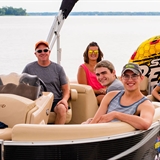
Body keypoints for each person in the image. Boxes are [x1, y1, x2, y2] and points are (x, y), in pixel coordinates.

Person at [83, 63, 155, 130]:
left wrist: (116, 115)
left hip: (121, 139)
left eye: (134, 76)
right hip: (103, 136)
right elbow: (96, 121)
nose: (130, 80)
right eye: (126, 76)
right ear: (121, 79)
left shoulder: (145, 104)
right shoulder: (111, 95)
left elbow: (145, 124)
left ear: (141, 78)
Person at [22, 40, 70, 124]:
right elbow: (21, 85)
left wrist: (65, 100)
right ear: (35, 54)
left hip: (55, 100)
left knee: (62, 109)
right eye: (39, 51)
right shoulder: (29, 68)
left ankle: (57, 135)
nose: (43, 53)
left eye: (45, 50)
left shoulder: (58, 68)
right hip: (36, 101)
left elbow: (66, 88)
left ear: (49, 52)